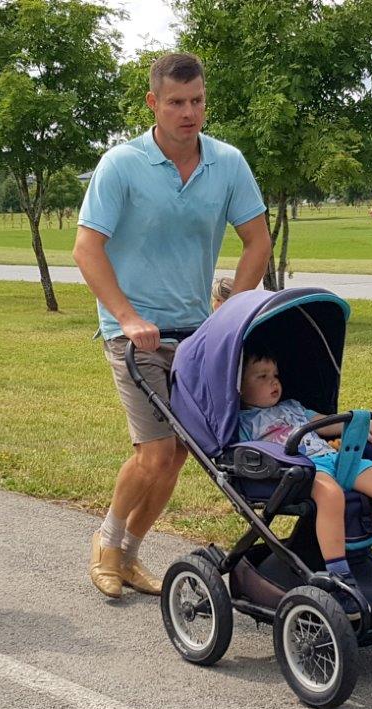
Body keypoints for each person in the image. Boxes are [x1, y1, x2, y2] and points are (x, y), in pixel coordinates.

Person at [73, 52, 272, 599]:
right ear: (153, 103)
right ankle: (106, 543)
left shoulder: (228, 163)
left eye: (197, 101)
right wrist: (127, 316)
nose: (189, 113)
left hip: (196, 333)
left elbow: (257, 241)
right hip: (133, 333)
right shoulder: (122, 165)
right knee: (156, 451)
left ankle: (129, 554)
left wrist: (231, 312)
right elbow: (87, 248)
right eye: (177, 102)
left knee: (182, 454)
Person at [237, 350, 372, 615]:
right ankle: (338, 576)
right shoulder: (242, 421)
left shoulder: (293, 406)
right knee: (331, 495)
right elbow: (244, 453)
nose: (273, 382)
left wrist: (359, 427)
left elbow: (324, 424)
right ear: (239, 388)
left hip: (332, 459)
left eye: (275, 375)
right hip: (297, 469)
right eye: (262, 377)